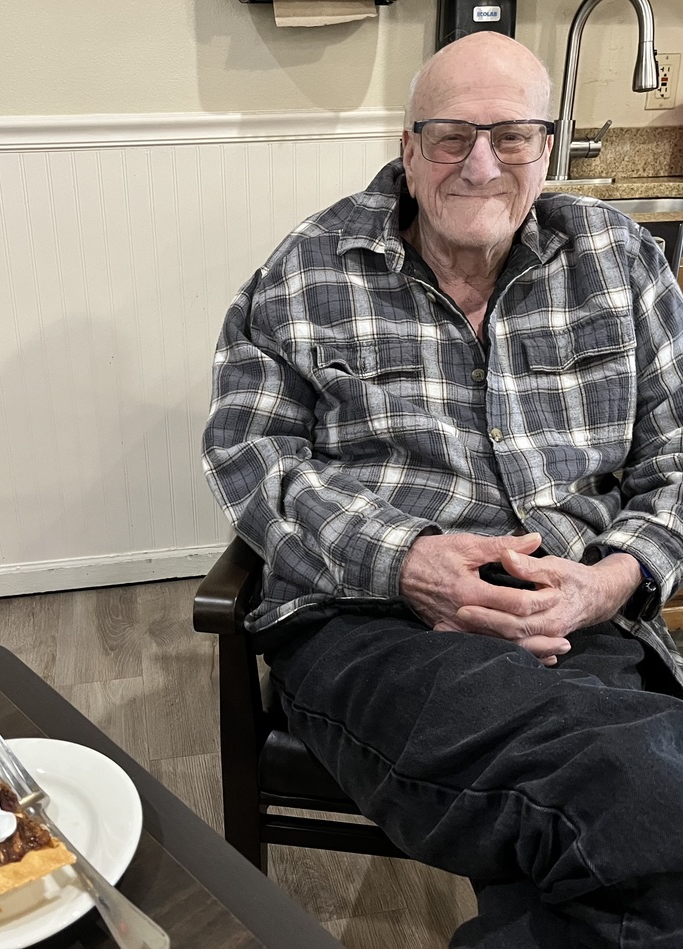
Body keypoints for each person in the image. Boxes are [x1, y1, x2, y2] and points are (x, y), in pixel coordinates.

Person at [201, 30, 683, 949]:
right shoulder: (310, 269)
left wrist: (607, 581)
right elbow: (248, 455)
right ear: (409, 148)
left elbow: (679, 454)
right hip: (376, 626)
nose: (481, 165)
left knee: (639, 828)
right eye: (452, 136)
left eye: (511, 137)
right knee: (652, 788)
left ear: (547, 146)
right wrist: (406, 560)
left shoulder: (619, 260)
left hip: (577, 619)